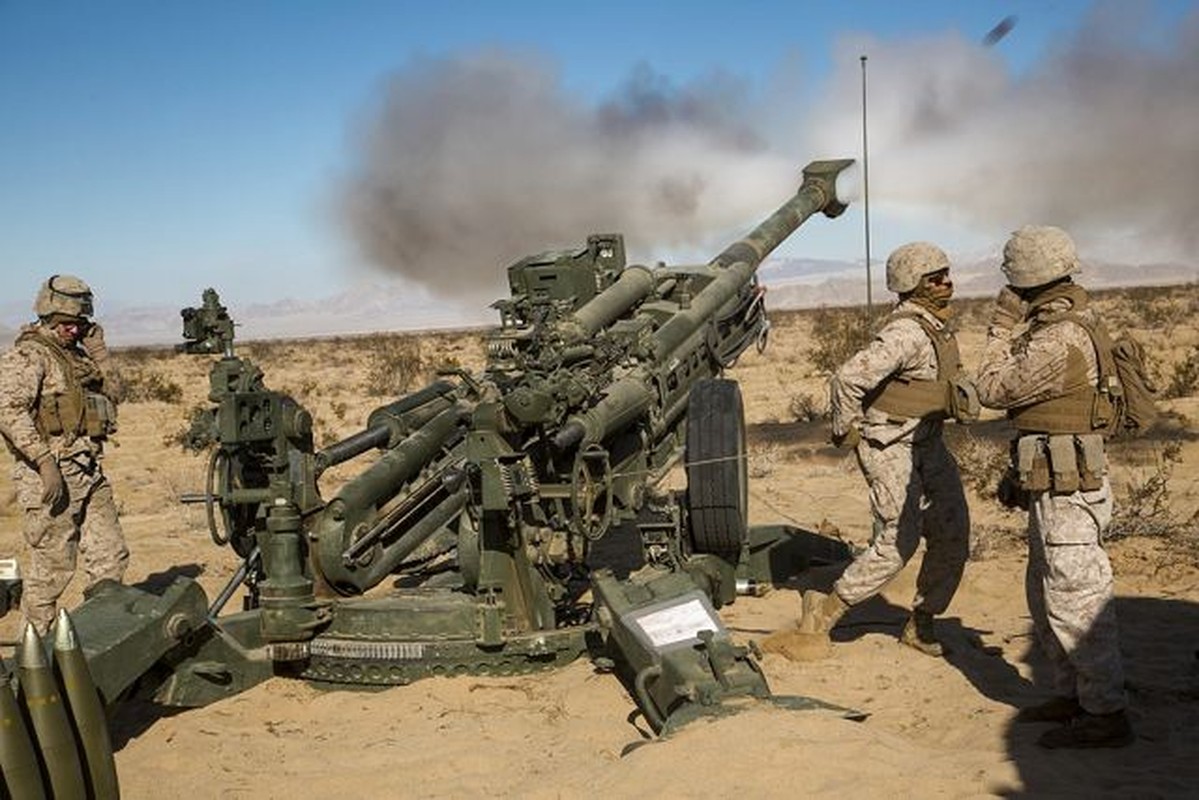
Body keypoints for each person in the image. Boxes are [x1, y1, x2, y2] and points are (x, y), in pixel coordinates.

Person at [975, 225, 1132, 749]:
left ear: (1023, 278)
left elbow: (993, 388)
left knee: (1076, 597)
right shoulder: (1060, 324)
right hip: (1053, 478)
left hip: (1070, 489)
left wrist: (998, 330)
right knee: (1046, 593)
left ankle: (1105, 712)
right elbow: (1040, 414)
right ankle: (1075, 696)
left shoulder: (1059, 335)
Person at [798, 242, 973, 657]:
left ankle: (922, 623)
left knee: (953, 533)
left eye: (947, 274)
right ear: (913, 284)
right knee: (900, 539)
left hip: (927, 442)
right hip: (891, 444)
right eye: (936, 278)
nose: (947, 283)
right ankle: (823, 615)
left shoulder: (934, 326)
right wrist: (848, 430)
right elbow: (847, 379)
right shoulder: (906, 332)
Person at [0, 275, 128, 635]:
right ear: (48, 318)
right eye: (67, 324)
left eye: (80, 323)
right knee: (52, 568)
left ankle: (99, 637)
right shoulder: (28, 355)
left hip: (88, 470)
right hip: (51, 477)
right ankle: (33, 655)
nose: (74, 330)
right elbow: (9, 411)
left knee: (110, 558)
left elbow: (117, 393)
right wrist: (43, 463)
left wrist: (100, 353)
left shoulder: (79, 356)